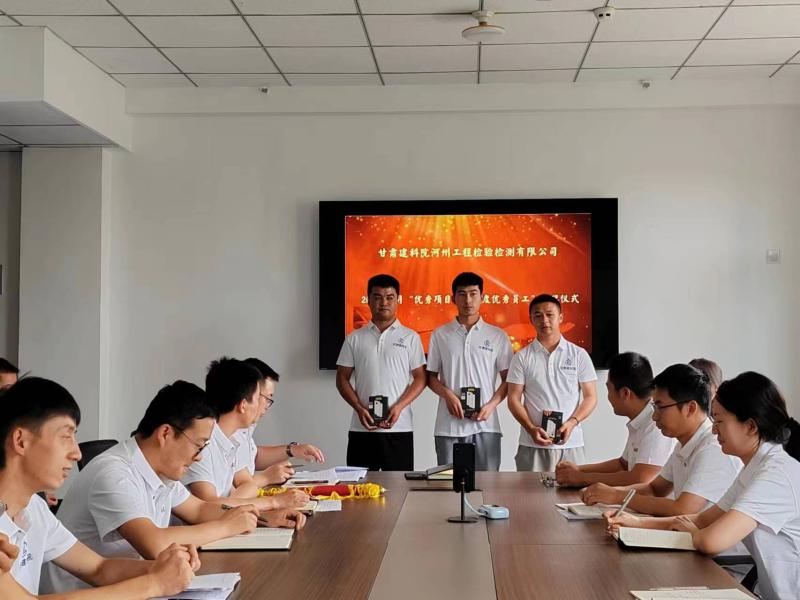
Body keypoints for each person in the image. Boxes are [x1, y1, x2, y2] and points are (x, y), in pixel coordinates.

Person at [43, 380, 305, 593]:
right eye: (198, 445)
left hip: (132, 584)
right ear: (166, 433)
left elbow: (199, 509)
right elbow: (154, 544)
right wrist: (227, 526)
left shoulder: (161, 472)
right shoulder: (114, 473)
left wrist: (259, 517)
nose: (199, 456)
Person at [606, 371, 800, 600]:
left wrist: (695, 533)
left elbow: (710, 540)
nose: (714, 429)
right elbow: (703, 519)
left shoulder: (776, 474)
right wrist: (636, 523)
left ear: (750, 426)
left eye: (720, 421)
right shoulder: (755, 467)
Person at [0, 377, 196, 598]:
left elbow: (99, 568)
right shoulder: (113, 471)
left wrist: (164, 567)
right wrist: (155, 584)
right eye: (65, 436)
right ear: (21, 441)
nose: (77, 453)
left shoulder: (35, 508)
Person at [582, 364, 741, 516]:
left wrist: (616, 496)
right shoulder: (683, 444)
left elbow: (682, 509)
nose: (654, 416)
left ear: (690, 408)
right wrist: (608, 492)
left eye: (660, 407)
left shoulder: (713, 448)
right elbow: (654, 489)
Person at [183, 358, 309, 510]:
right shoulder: (203, 444)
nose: (262, 406)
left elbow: (247, 487)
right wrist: (275, 502)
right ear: (243, 405)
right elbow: (209, 506)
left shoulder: (230, 441)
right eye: (257, 399)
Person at [336, 274, 426, 471]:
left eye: (389, 297)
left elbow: (421, 378)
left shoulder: (410, 337)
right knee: (360, 485)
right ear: (368, 300)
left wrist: (399, 407)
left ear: (397, 300)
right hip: (362, 428)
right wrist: (359, 408)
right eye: (377, 297)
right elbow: (342, 378)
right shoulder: (354, 338)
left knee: (398, 486)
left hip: (399, 428)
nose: (384, 303)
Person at [426, 272, 513, 470]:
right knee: (449, 484)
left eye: (473, 294)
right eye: (462, 294)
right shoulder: (440, 334)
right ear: (453, 298)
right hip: (448, 426)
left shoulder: (497, 335)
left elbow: (508, 380)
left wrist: (491, 406)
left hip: (486, 425)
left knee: (487, 483)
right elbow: (431, 377)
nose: (468, 300)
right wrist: (448, 395)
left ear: (482, 297)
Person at [506, 294, 598, 472]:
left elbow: (591, 397)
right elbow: (513, 399)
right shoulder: (522, 357)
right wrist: (531, 428)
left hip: (571, 443)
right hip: (532, 443)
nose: (544, 320)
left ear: (561, 317)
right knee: (530, 490)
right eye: (538, 315)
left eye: (550, 314)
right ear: (531, 319)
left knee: (573, 490)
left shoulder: (579, 355)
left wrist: (572, 423)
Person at [556, 352, 674, 487]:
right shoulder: (641, 419)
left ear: (625, 393)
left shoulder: (655, 424)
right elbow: (622, 465)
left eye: (609, 389)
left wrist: (581, 478)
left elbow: (641, 479)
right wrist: (578, 469)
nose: (608, 397)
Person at [234, 358, 325, 486]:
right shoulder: (225, 432)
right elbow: (234, 487)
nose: (267, 406)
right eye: (267, 398)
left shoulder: (246, 427)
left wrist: (292, 450)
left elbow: (252, 457)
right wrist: (266, 478)